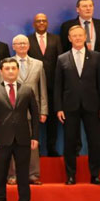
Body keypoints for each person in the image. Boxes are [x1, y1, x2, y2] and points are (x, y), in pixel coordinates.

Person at [0, 58, 40, 201]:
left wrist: (35, 136)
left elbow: (35, 115)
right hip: (1, 139)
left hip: (23, 139)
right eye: (7, 69)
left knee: (23, 176)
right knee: (0, 176)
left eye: (13, 68)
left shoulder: (27, 90)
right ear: (1, 71)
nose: (10, 71)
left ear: (18, 70)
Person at [55, 25, 100, 186]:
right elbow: (58, 86)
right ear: (69, 38)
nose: (77, 38)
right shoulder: (62, 58)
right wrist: (59, 108)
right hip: (69, 107)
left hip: (92, 106)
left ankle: (95, 175)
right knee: (70, 142)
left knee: (94, 142)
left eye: (80, 35)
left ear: (85, 37)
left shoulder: (96, 57)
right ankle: (71, 176)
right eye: (74, 36)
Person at [59, 0, 100, 157]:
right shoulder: (67, 26)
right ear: (77, 9)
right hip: (73, 69)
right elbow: (64, 48)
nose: (88, 8)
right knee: (73, 118)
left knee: (96, 111)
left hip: (94, 67)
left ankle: (98, 146)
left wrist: (93, 62)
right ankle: (76, 148)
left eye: (90, 6)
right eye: (84, 6)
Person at [0, 35, 47, 186]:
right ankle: (12, 175)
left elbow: (42, 88)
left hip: (32, 111)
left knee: (32, 144)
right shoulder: (7, 64)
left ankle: (33, 174)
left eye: (24, 43)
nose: (22, 46)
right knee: (11, 143)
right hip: (10, 111)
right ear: (13, 46)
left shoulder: (38, 64)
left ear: (29, 45)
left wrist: (43, 110)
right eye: (18, 44)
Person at [27, 13, 62, 156]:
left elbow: (60, 60)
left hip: (53, 85)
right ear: (34, 24)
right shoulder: (28, 40)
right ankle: (36, 149)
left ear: (47, 23)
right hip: (34, 86)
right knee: (33, 118)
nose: (41, 23)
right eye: (38, 21)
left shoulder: (56, 39)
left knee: (52, 119)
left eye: (44, 21)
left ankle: (51, 148)